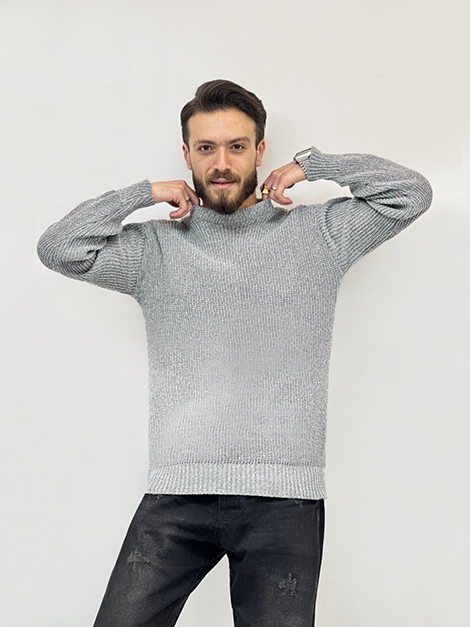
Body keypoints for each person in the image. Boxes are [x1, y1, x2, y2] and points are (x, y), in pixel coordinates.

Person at [37, 79, 433, 627]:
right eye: (206, 148)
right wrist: (142, 193)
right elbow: (59, 248)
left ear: (260, 151)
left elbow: (412, 194)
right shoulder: (156, 248)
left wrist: (315, 165)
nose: (221, 163)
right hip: (178, 493)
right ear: (187, 155)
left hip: (284, 499)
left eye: (236, 146)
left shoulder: (320, 235)